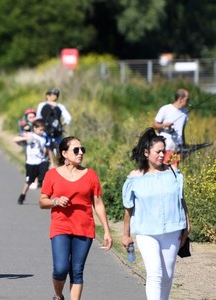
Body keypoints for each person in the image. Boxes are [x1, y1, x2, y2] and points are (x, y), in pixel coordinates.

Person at [39, 136, 112, 300]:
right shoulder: (52, 175)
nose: (81, 153)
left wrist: (107, 231)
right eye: (76, 150)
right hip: (61, 226)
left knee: (77, 270)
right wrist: (56, 201)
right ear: (64, 153)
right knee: (60, 268)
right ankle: (58, 295)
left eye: (82, 150)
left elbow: (98, 204)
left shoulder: (90, 175)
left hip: (84, 227)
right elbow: (42, 202)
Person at [122, 128, 189, 300]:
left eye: (163, 151)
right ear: (146, 152)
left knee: (167, 276)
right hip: (146, 232)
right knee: (155, 273)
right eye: (158, 151)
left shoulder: (173, 172)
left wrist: (187, 224)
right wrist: (126, 234)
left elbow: (181, 200)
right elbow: (128, 208)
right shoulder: (135, 177)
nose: (162, 155)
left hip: (172, 230)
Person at [13, 120, 51, 205]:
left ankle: (45, 198)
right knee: (29, 181)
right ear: (35, 128)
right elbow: (15, 139)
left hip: (42, 161)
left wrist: (51, 160)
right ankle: (22, 195)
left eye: (43, 130)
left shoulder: (44, 137)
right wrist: (25, 138)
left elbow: (47, 149)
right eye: (40, 130)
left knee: (45, 180)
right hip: (31, 162)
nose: (42, 132)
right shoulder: (30, 135)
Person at [152, 88, 189, 166]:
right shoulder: (165, 109)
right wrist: (164, 125)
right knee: (163, 169)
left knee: (174, 171)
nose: (188, 102)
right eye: (187, 99)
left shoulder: (185, 112)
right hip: (166, 146)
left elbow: (182, 130)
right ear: (180, 99)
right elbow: (154, 125)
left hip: (178, 148)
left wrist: (184, 145)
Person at [36, 88, 72, 155]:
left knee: (50, 151)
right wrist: (61, 125)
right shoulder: (60, 106)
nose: (55, 96)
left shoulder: (42, 105)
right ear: (47, 96)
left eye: (56, 95)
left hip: (47, 132)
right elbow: (68, 119)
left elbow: (38, 118)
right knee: (57, 151)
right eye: (54, 94)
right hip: (52, 132)